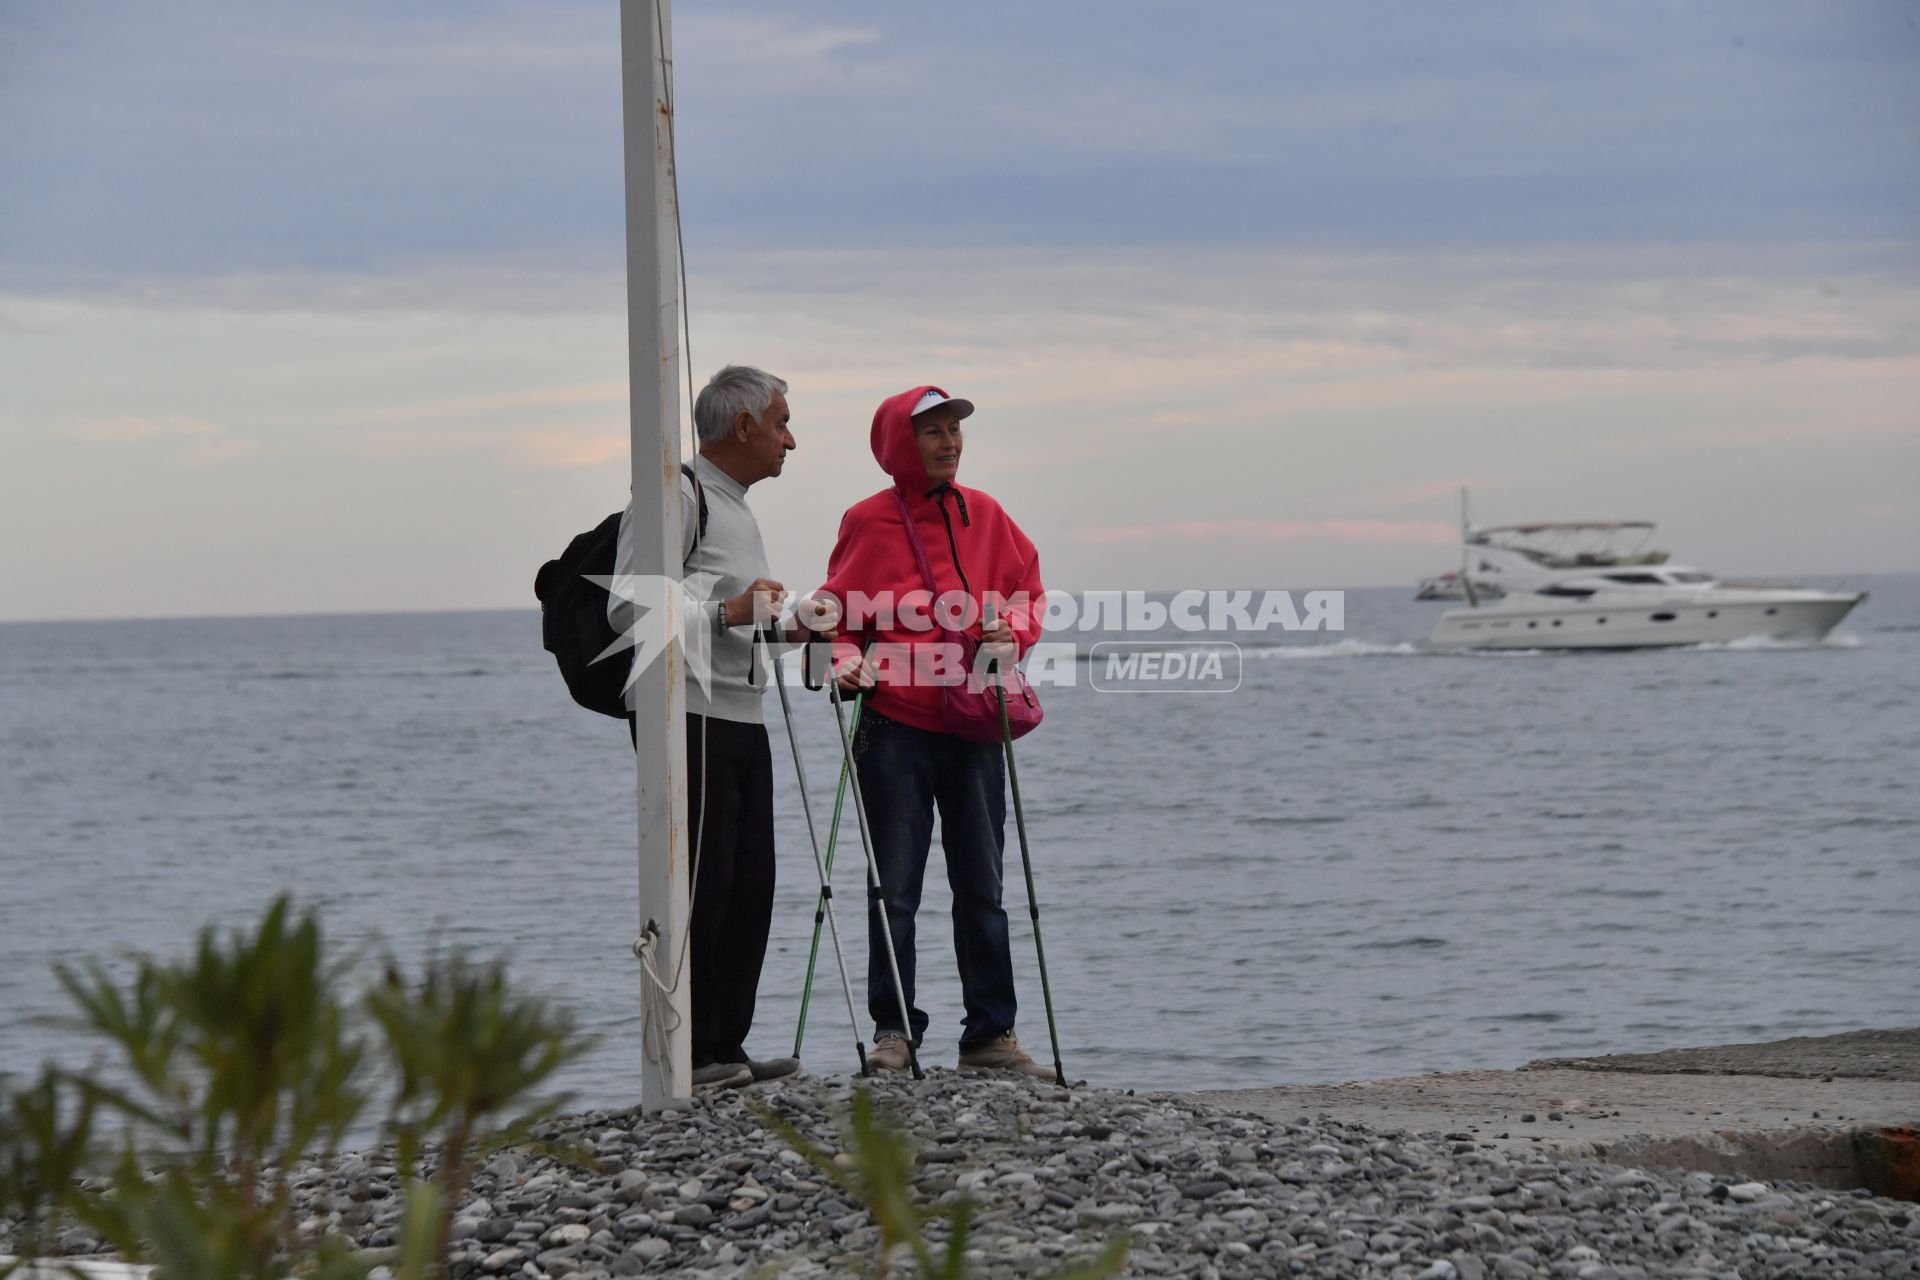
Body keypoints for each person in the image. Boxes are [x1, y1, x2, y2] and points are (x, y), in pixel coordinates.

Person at [813, 386, 1054, 1079]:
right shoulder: (867, 521)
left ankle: (991, 1034)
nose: (949, 442)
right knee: (896, 888)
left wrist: (1015, 633)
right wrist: (845, 659)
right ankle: (894, 1032)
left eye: (955, 431)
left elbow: (1027, 592)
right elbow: (837, 612)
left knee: (983, 882)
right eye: (932, 433)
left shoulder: (988, 514)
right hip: (893, 725)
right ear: (898, 443)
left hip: (975, 718)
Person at [613, 364, 808, 1090]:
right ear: (745, 425)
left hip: (740, 711)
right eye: (783, 422)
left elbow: (735, 620)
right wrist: (731, 614)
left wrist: (791, 636)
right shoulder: (677, 493)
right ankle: (691, 1054)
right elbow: (627, 612)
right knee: (706, 881)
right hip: (686, 715)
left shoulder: (735, 505)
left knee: (750, 881)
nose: (793, 440)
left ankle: (724, 1046)